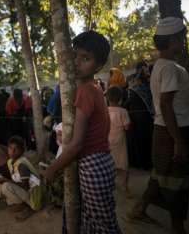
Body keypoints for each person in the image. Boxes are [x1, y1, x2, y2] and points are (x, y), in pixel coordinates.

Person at [45, 30, 121, 233]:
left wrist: (53, 168)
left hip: (93, 165)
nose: (77, 62)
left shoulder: (86, 91)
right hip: (100, 162)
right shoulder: (93, 88)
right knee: (95, 220)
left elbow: (78, 144)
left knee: (102, 225)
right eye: (75, 55)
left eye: (85, 58)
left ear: (98, 66)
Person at [128, 17, 189, 234]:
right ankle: (178, 228)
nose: (183, 43)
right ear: (173, 40)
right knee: (177, 182)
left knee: (161, 175)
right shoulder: (168, 68)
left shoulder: (161, 65)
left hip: (164, 129)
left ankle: (140, 209)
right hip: (173, 131)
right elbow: (166, 104)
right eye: (181, 39)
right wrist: (179, 141)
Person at [0, 136, 41, 221]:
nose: (12, 151)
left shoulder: (21, 165)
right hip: (23, 191)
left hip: (32, 194)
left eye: (16, 149)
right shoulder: (10, 161)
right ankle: (15, 203)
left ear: (22, 151)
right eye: (10, 148)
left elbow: (25, 186)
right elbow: (15, 177)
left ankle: (23, 204)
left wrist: (7, 180)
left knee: (6, 185)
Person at [126, 61, 154, 169]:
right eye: (144, 67)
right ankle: (144, 163)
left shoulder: (147, 81)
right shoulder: (136, 82)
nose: (146, 70)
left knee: (145, 139)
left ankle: (146, 163)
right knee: (142, 139)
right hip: (140, 116)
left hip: (144, 115)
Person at [107, 86, 131, 195]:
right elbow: (127, 127)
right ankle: (124, 186)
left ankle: (109, 184)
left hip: (107, 140)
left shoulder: (105, 110)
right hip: (120, 141)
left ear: (108, 98)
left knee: (109, 163)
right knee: (123, 164)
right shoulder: (123, 111)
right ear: (121, 99)